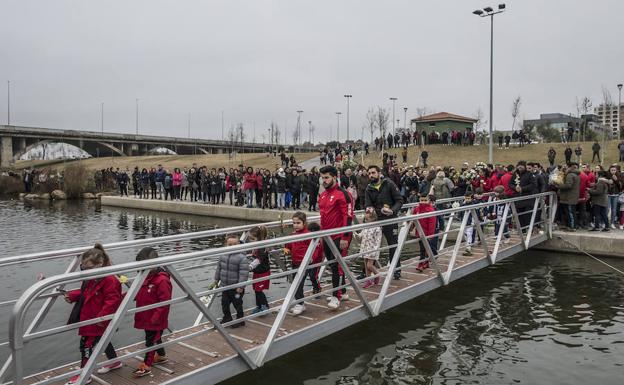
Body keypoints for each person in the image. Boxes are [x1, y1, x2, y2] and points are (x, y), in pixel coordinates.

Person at [63, 243, 122, 385]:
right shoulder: (92, 276)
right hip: (90, 316)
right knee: (103, 341)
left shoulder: (110, 280)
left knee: (86, 346)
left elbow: (113, 300)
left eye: (89, 268)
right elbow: (87, 292)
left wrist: (101, 317)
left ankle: (85, 375)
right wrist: (72, 295)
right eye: (83, 267)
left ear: (100, 264)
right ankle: (114, 362)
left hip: (98, 319)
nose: (86, 271)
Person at [132, 247, 172, 378]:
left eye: (144, 266)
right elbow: (139, 292)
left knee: (151, 341)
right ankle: (161, 356)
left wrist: (156, 318)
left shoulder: (162, 280)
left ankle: (146, 365)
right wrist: (124, 297)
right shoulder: (145, 277)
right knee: (155, 338)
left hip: (155, 318)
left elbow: (165, 301)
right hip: (146, 316)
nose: (141, 269)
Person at [318, 165, 351, 310]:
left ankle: (336, 297)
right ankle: (342, 292)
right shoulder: (323, 195)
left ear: (334, 177)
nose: (324, 181)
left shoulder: (342, 193)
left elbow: (348, 216)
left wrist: (345, 236)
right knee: (332, 265)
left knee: (337, 266)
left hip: (339, 236)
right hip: (326, 235)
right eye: (322, 178)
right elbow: (323, 216)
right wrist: (320, 235)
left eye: (326, 178)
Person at [365, 165, 404, 279]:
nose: (371, 175)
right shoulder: (369, 188)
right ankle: (367, 271)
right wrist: (369, 210)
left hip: (390, 219)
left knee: (393, 244)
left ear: (379, 173)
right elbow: (368, 205)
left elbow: (399, 200)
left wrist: (392, 211)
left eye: (373, 173)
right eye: (369, 173)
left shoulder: (389, 183)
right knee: (371, 246)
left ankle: (396, 269)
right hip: (376, 221)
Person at [284, 212, 318, 315]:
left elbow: (315, 247)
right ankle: (299, 301)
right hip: (295, 262)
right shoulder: (293, 234)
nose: (295, 225)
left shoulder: (308, 234)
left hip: (305, 262)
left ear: (304, 223)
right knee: (295, 282)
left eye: (298, 223)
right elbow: (289, 244)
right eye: (294, 223)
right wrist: (286, 248)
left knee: (298, 283)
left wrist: (312, 258)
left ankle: (300, 304)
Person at [213, 234, 248, 328]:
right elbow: (219, 268)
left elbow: (244, 273)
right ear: (226, 244)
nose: (232, 246)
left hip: (236, 287)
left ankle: (240, 319)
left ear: (238, 244)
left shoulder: (241, 257)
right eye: (230, 244)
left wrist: (241, 286)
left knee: (238, 304)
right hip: (225, 285)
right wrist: (216, 280)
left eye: (235, 244)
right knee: (224, 303)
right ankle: (227, 317)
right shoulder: (223, 255)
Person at [353, 210, 382, 288]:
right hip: (365, 248)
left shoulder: (377, 228)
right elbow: (361, 236)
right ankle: (368, 280)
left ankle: (377, 275)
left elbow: (378, 241)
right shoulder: (365, 227)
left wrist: (375, 250)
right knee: (366, 266)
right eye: (365, 219)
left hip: (372, 249)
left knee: (369, 265)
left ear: (373, 219)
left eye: (367, 219)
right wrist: (356, 234)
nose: (366, 221)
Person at [507, 161, 537, 232]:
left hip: (527, 199)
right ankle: (522, 230)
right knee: (519, 215)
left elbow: (533, 185)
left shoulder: (529, 174)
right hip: (518, 198)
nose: (520, 167)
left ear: (524, 167)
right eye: (518, 165)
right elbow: (510, 184)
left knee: (527, 215)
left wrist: (522, 189)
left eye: (521, 165)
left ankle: (530, 230)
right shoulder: (515, 174)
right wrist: (515, 188)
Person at [248, 226, 270, 314]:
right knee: (256, 289)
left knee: (259, 290)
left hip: (263, 271)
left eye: (252, 239)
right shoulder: (255, 246)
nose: (250, 241)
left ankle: (265, 306)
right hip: (257, 271)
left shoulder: (262, 248)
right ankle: (259, 306)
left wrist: (250, 266)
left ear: (259, 238)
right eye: (249, 238)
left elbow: (258, 260)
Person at [412, 193, 437, 271]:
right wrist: (411, 227)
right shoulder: (417, 209)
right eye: (421, 200)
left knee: (425, 249)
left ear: (428, 200)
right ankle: (424, 262)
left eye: (425, 200)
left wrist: (430, 235)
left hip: (427, 233)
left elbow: (432, 224)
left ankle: (422, 263)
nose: (423, 202)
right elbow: (413, 220)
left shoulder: (430, 210)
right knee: (422, 249)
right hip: (419, 232)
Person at [556, 163, 580, 231]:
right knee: (571, 212)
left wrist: (558, 185)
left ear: (569, 168)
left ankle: (572, 226)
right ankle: (572, 225)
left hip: (569, 197)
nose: (564, 168)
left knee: (570, 212)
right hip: (570, 196)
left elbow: (568, 185)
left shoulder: (570, 175)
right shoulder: (575, 174)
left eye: (565, 167)